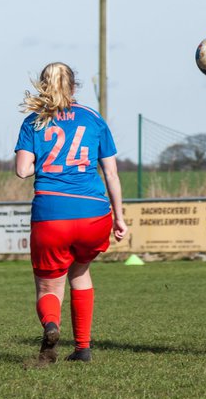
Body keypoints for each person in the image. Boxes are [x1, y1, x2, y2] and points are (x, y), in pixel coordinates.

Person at [13, 62, 126, 364]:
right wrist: (120, 217)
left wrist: (51, 161)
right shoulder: (93, 119)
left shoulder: (34, 122)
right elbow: (112, 173)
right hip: (94, 212)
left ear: (43, 86)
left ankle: (52, 325)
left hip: (52, 212)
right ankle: (83, 348)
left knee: (49, 284)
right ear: (74, 87)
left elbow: (22, 171)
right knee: (81, 272)